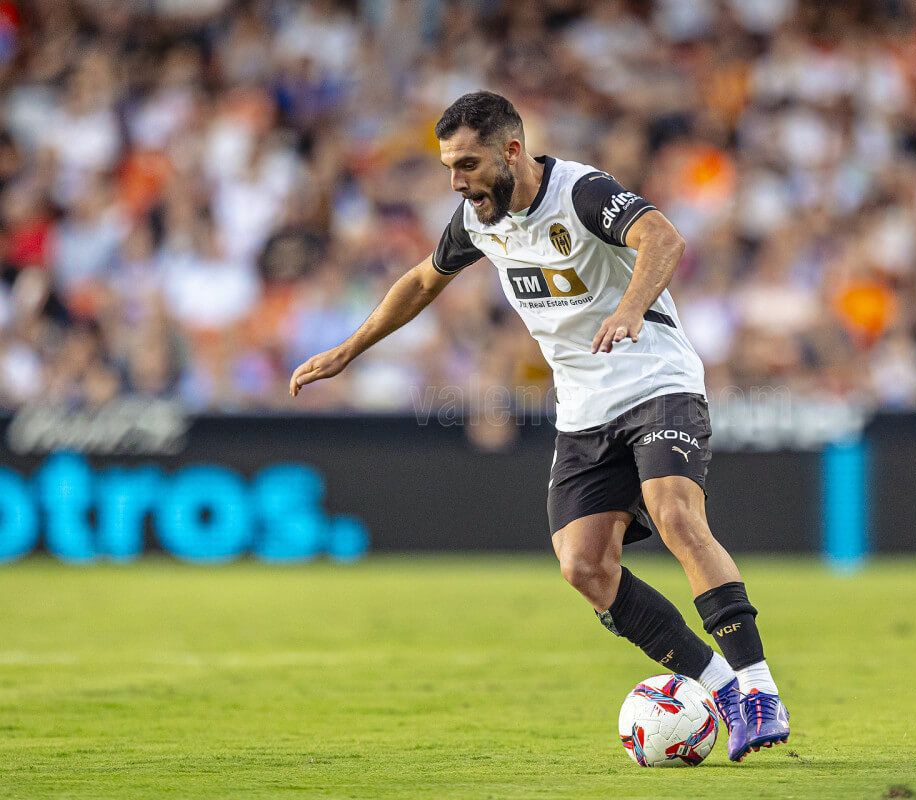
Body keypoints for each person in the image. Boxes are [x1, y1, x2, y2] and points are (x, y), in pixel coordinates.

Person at [289, 91, 788, 761]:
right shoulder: (477, 219)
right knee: (584, 568)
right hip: (584, 410)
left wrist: (632, 308)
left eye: (466, 164)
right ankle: (720, 687)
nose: (456, 181)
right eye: (448, 167)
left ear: (512, 151)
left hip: (656, 381)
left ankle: (759, 692)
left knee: (675, 516)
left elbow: (662, 237)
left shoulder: (579, 193)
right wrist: (349, 349)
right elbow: (420, 281)